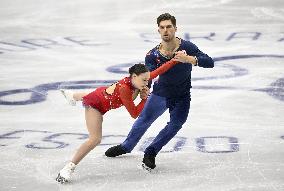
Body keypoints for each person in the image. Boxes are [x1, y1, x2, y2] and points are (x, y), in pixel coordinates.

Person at [105, 13, 214, 171]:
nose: (166, 30)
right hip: (160, 95)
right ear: (158, 31)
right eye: (162, 27)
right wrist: (144, 89)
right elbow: (147, 77)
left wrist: (189, 59)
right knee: (143, 120)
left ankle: (151, 151)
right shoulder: (152, 55)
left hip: (182, 96)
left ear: (175, 28)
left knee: (176, 124)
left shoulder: (187, 47)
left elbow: (209, 62)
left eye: (169, 27)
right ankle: (126, 146)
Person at [55, 59, 179, 183]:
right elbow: (134, 113)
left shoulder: (140, 79)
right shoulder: (124, 89)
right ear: (134, 76)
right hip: (96, 106)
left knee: (97, 94)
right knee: (95, 139)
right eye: (144, 80)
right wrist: (144, 99)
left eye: (148, 79)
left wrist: (175, 60)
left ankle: (72, 95)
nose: (147, 83)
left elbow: (159, 71)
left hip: (103, 94)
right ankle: (68, 168)